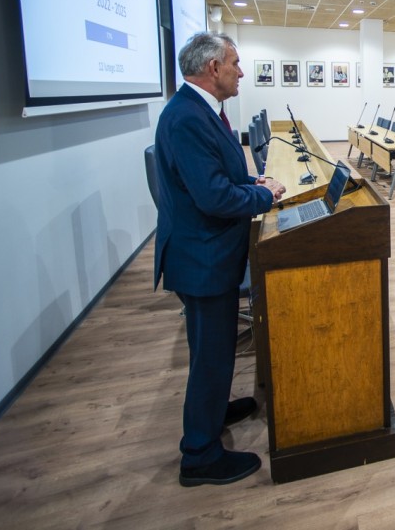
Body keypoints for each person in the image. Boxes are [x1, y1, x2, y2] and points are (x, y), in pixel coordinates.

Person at [154, 32, 287, 487]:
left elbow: (218, 173)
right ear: (213, 68)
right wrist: (262, 196)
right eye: (235, 63)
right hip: (203, 258)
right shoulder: (189, 117)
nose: (241, 72)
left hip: (205, 252)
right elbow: (212, 195)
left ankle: (213, 413)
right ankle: (200, 456)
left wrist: (254, 180)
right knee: (210, 356)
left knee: (212, 350)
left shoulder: (198, 110)